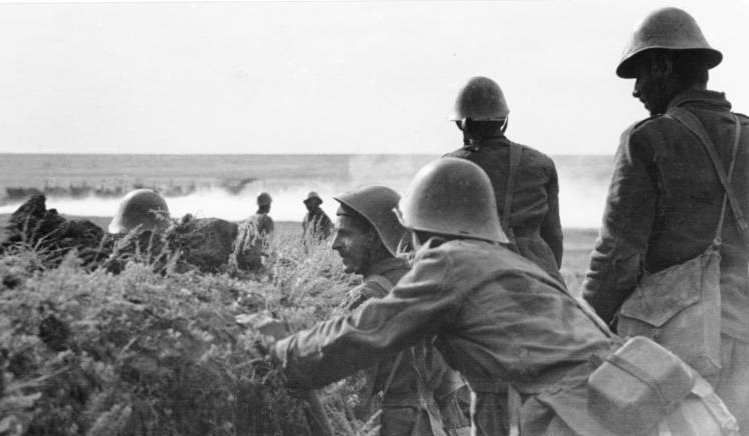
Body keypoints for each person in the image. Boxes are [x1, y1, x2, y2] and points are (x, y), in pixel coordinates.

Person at [260, 158, 737, 436]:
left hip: (581, 415)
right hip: (642, 400)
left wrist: (282, 350)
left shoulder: (449, 263)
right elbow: (498, 382)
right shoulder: (512, 263)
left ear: (422, 227)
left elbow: (368, 330)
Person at [581, 7, 748, 432]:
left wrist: (583, 329)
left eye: (639, 74)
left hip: (680, 351)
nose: (636, 90)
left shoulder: (648, 138)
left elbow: (617, 257)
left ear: (662, 66)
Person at [332, 185, 468, 436]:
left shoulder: (364, 299)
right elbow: (449, 387)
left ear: (372, 237)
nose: (334, 244)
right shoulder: (426, 287)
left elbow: (349, 398)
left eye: (345, 233)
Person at [445, 77, 564, 284]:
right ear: (503, 120)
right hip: (539, 272)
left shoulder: (451, 166)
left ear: (463, 124)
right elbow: (553, 234)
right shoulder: (541, 162)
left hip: (479, 273)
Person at [236, 192, 275, 270]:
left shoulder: (247, 219)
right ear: (268, 205)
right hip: (254, 260)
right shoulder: (266, 219)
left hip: (239, 260)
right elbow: (268, 242)